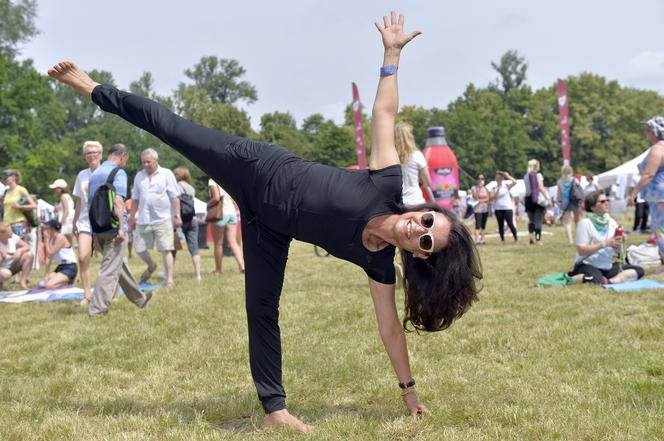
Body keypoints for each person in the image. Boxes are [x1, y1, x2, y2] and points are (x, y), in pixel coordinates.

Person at [48, 12, 482, 432]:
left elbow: (389, 328)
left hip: (268, 228)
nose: (418, 229)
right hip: (256, 167)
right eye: (427, 220)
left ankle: (274, 408)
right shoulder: (387, 182)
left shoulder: (379, 265)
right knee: (170, 127)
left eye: (426, 241)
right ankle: (91, 86)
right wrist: (392, 56)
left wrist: (409, 393)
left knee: (261, 308)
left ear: (419, 256)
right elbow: (384, 114)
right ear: (423, 209)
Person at [87, 143, 152, 316]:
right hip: (114, 229)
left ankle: (140, 299)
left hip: (97, 228)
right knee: (108, 271)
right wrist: (122, 229)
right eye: (126, 160)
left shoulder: (95, 174)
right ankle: (97, 310)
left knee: (119, 266)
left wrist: (93, 233)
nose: (125, 163)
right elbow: (118, 202)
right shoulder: (118, 172)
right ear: (122, 155)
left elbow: (90, 204)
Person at [129, 148, 182, 287]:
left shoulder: (166, 174)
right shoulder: (139, 176)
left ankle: (169, 279)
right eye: (143, 162)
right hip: (143, 219)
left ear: (156, 161)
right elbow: (134, 199)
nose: (146, 165)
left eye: (148, 162)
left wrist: (177, 216)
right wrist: (131, 217)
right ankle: (151, 265)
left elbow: (175, 197)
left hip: (163, 218)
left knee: (166, 249)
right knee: (139, 248)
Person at [569, 190, 644, 284]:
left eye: (607, 200)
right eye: (602, 201)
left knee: (639, 270)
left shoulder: (611, 222)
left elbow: (616, 250)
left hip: (606, 266)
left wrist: (620, 241)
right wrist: (605, 243)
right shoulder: (585, 223)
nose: (607, 203)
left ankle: (610, 282)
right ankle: (575, 278)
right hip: (587, 264)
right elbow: (581, 250)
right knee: (594, 279)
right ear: (592, 207)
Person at [630, 116, 664, 273]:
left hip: (659, 196)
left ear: (656, 132)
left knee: (661, 230)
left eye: (648, 130)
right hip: (659, 196)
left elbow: (649, 173)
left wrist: (634, 192)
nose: (646, 133)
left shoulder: (658, 148)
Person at [72, 140, 103, 306]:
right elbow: (79, 201)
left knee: (108, 259)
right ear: (85, 156)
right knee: (83, 257)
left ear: (101, 155)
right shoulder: (82, 175)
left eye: (94, 152)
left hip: (103, 221)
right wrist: (74, 222)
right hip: (85, 222)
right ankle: (87, 294)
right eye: (88, 153)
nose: (92, 155)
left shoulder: (107, 172)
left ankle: (112, 292)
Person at [208, 178, 245, 274]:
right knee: (233, 242)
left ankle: (218, 270)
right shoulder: (227, 180)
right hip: (232, 213)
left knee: (218, 244)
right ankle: (242, 266)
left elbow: (216, 198)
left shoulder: (212, 181)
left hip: (220, 214)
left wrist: (208, 205)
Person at [395, 122, 434, 205]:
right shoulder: (417, 155)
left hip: (397, 204)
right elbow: (428, 182)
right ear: (409, 137)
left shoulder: (389, 157)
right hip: (415, 201)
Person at [173, 166, 202, 280]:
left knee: (172, 247)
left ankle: (168, 273)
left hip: (180, 220)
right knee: (194, 248)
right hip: (192, 219)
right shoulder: (191, 188)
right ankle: (198, 274)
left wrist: (176, 217)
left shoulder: (176, 187)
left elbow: (175, 202)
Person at [40, 219, 78, 289]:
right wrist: (46, 274)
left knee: (49, 286)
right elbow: (49, 258)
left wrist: (46, 239)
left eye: (46, 228)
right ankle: (66, 281)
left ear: (52, 229)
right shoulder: (51, 239)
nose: (44, 231)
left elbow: (50, 253)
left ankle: (69, 282)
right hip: (61, 266)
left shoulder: (60, 238)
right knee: (43, 283)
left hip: (69, 267)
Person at [1, 169, 37, 241]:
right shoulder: (6, 192)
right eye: (4, 177)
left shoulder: (21, 190)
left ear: (14, 177)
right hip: (7, 225)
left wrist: (19, 206)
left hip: (18, 224)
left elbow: (34, 205)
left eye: (6, 177)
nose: (5, 179)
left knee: (21, 245)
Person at [523, 159, 551, 245]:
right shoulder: (538, 175)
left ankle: (531, 237)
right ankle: (538, 239)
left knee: (531, 220)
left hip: (528, 199)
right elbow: (541, 188)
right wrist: (548, 199)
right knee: (538, 221)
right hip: (537, 200)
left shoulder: (526, 176)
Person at [0, 221, 34, 289]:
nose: (12, 232)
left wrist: (20, 250)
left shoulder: (13, 237)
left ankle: (23, 282)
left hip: (12, 266)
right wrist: (2, 256)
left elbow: (27, 246)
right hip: (2, 268)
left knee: (29, 255)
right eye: (9, 231)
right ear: (1, 234)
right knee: (6, 274)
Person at [491, 171, 518, 244]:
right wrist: (498, 189)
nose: (498, 180)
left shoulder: (506, 186)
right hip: (498, 209)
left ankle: (516, 239)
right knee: (501, 225)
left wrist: (507, 176)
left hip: (507, 208)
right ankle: (502, 240)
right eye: (497, 179)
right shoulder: (494, 188)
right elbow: (493, 197)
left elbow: (515, 182)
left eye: (500, 178)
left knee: (510, 223)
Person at [557, 165, 580, 244]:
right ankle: (579, 238)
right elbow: (579, 191)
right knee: (577, 221)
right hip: (575, 202)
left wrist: (558, 202)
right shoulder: (575, 180)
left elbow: (559, 194)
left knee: (567, 222)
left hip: (565, 202)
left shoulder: (559, 181)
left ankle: (570, 240)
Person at [49, 178, 75, 244]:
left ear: (60, 189)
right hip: (71, 222)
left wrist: (60, 224)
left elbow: (66, 211)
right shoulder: (68, 196)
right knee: (71, 244)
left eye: (55, 188)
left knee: (63, 243)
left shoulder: (63, 197)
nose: (54, 190)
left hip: (66, 223)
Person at [471, 174, 490, 244]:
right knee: (478, 225)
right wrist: (479, 189)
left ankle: (483, 239)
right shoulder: (474, 188)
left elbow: (488, 198)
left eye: (482, 179)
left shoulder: (486, 189)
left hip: (485, 208)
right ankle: (477, 240)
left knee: (483, 225)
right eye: (479, 179)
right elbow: (475, 197)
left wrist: (481, 200)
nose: (480, 180)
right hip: (478, 209)